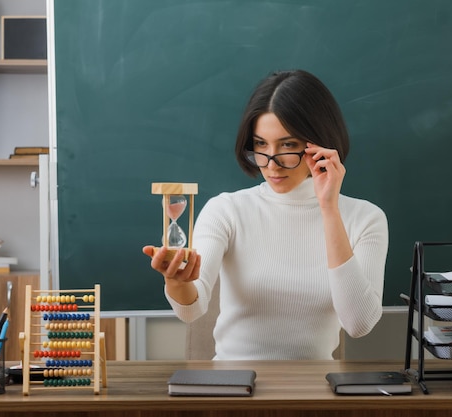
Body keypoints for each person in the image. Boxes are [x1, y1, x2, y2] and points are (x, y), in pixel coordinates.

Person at [143, 69, 388, 360]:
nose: (271, 164)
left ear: (320, 143)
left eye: (288, 145)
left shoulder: (365, 218)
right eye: (260, 145)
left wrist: (329, 208)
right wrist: (177, 282)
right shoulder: (226, 211)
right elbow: (192, 309)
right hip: (233, 387)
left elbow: (359, 324)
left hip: (316, 389)